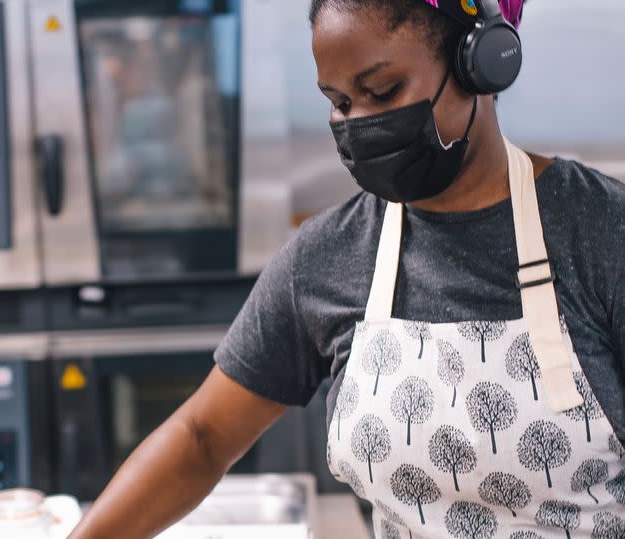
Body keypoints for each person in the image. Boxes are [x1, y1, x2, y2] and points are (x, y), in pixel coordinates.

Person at [69, 1, 625, 537]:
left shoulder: (598, 230)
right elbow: (203, 436)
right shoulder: (329, 255)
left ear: (477, 64)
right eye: (338, 102)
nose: (358, 123)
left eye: (381, 92)